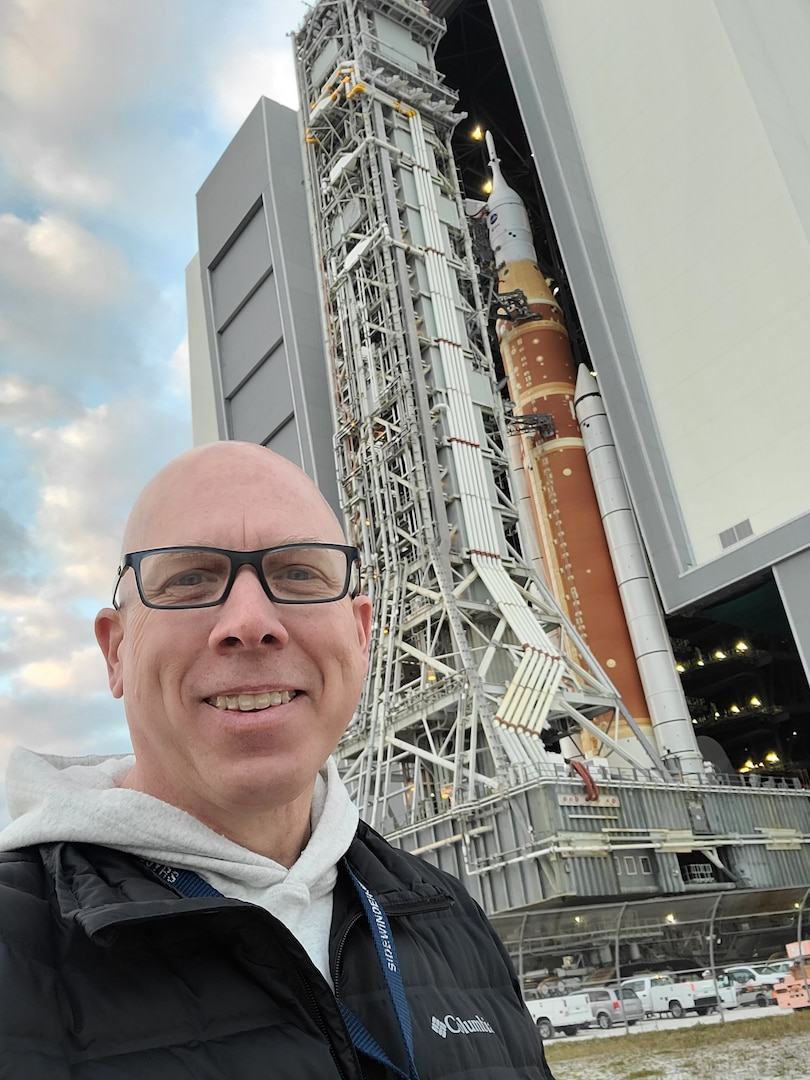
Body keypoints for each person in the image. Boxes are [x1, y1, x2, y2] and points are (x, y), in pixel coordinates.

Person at [0, 441, 555, 1079]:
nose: (249, 621)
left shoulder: (448, 917)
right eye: (189, 579)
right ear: (115, 650)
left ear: (362, 634)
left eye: (298, 574)